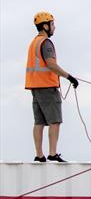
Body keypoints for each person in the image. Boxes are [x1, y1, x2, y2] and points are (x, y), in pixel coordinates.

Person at [25, 11, 79, 162]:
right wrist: (69, 77)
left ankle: (39, 155)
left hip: (35, 87)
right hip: (47, 87)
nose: (54, 27)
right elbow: (51, 64)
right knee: (55, 121)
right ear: (45, 25)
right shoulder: (46, 43)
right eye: (53, 24)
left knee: (39, 122)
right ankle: (52, 153)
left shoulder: (34, 42)